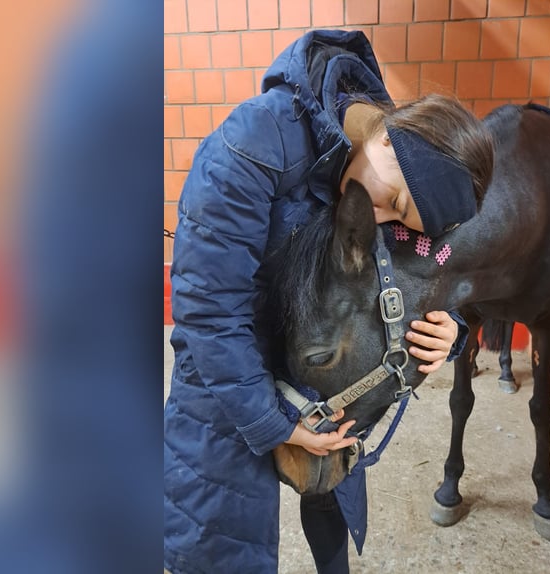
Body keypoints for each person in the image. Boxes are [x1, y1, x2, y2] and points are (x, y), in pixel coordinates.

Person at [164, 29, 494, 574]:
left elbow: (419, 266)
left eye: (399, 221)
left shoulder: (386, 178)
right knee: (220, 534)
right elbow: (207, 312)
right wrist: (272, 425)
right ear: (389, 140)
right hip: (227, 370)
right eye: (393, 203)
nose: (383, 222)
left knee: (333, 479)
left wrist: (449, 331)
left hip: (314, 351)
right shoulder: (254, 141)